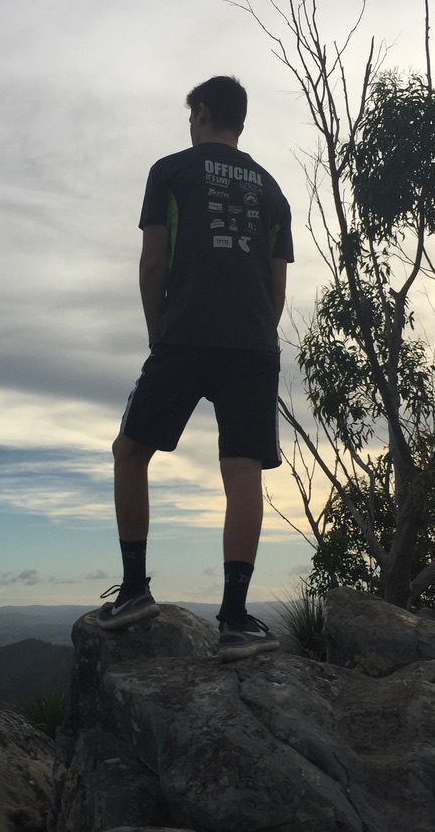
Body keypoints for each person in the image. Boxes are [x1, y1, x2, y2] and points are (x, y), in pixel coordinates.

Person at [97, 76, 294, 662]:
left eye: (191, 116)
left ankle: (134, 591)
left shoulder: (170, 172)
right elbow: (277, 286)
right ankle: (234, 620)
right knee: (243, 472)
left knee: (130, 452)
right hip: (254, 344)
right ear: (241, 121)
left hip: (185, 333)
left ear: (202, 112)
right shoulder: (273, 190)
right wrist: (256, 334)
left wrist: (158, 331)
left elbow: (152, 264)